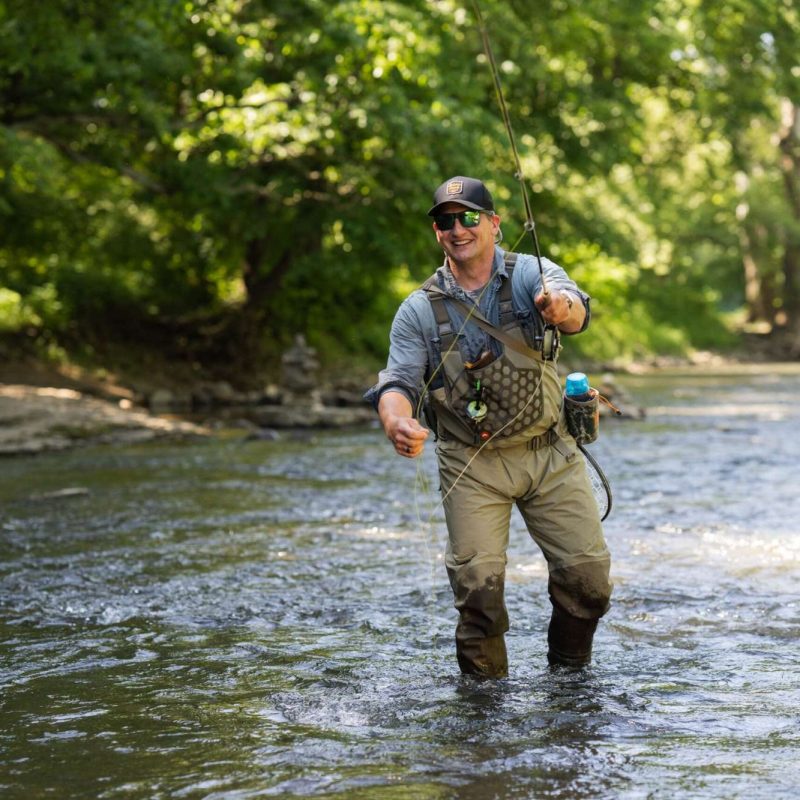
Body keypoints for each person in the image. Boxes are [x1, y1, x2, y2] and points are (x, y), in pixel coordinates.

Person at [365, 176, 612, 678]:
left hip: (550, 454)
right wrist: (396, 420)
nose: (458, 228)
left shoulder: (532, 276)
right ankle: (483, 710)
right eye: (446, 221)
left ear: (495, 225)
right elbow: (398, 382)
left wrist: (561, 309)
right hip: (470, 464)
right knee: (477, 593)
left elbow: (575, 307)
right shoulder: (417, 310)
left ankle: (568, 679)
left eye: (470, 217)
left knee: (588, 582)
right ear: (438, 233)